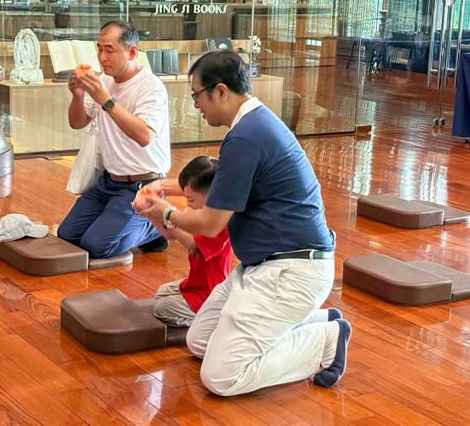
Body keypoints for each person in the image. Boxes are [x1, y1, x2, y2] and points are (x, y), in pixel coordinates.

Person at [136, 50, 351, 396]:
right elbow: (218, 189)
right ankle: (320, 321)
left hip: (291, 271)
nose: (195, 105)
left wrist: (163, 212)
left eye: (196, 95)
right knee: (199, 342)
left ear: (220, 91)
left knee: (221, 378)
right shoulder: (252, 126)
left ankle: (326, 337)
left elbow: (208, 222)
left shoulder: (246, 136)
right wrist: (163, 190)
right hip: (261, 267)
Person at [57, 21, 171, 259]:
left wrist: (106, 100)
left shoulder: (151, 87)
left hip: (143, 185)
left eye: (109, 50)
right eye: (99, 49)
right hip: (109, 182)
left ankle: (157, 225)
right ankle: (132, 220)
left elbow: (144, 136)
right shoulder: (104, 81)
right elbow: (77, 122)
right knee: (67, 236)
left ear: (131, 52)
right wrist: (77, 96)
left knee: (97, 246)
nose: (102, 57)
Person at [148, 156, 233, 327]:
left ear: (212, 194)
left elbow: (192, 243)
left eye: (191, 199)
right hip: (195, 282)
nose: (188, 204)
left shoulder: (219, 223)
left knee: (161, 308)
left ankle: (212, 317)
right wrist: (152, 213)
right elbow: (172, 235)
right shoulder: (197, 212)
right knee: (161, 293)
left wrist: (167, 214)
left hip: (210, 290)